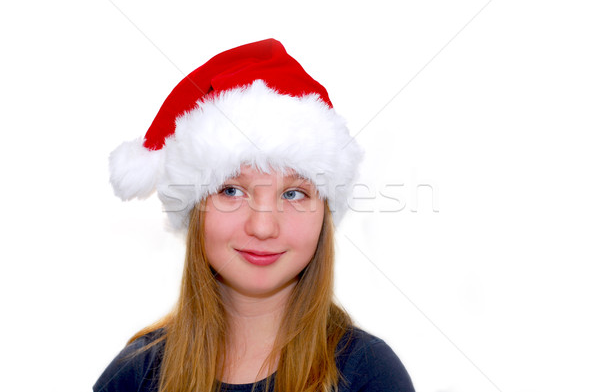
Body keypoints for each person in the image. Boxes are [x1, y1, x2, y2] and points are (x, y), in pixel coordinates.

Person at [95, 38, 415, 392]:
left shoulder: (368, 374)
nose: (262, 226)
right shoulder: (135, 374)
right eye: (231, 190)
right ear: (194, 208)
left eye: (293, 193)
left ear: (324, 213)